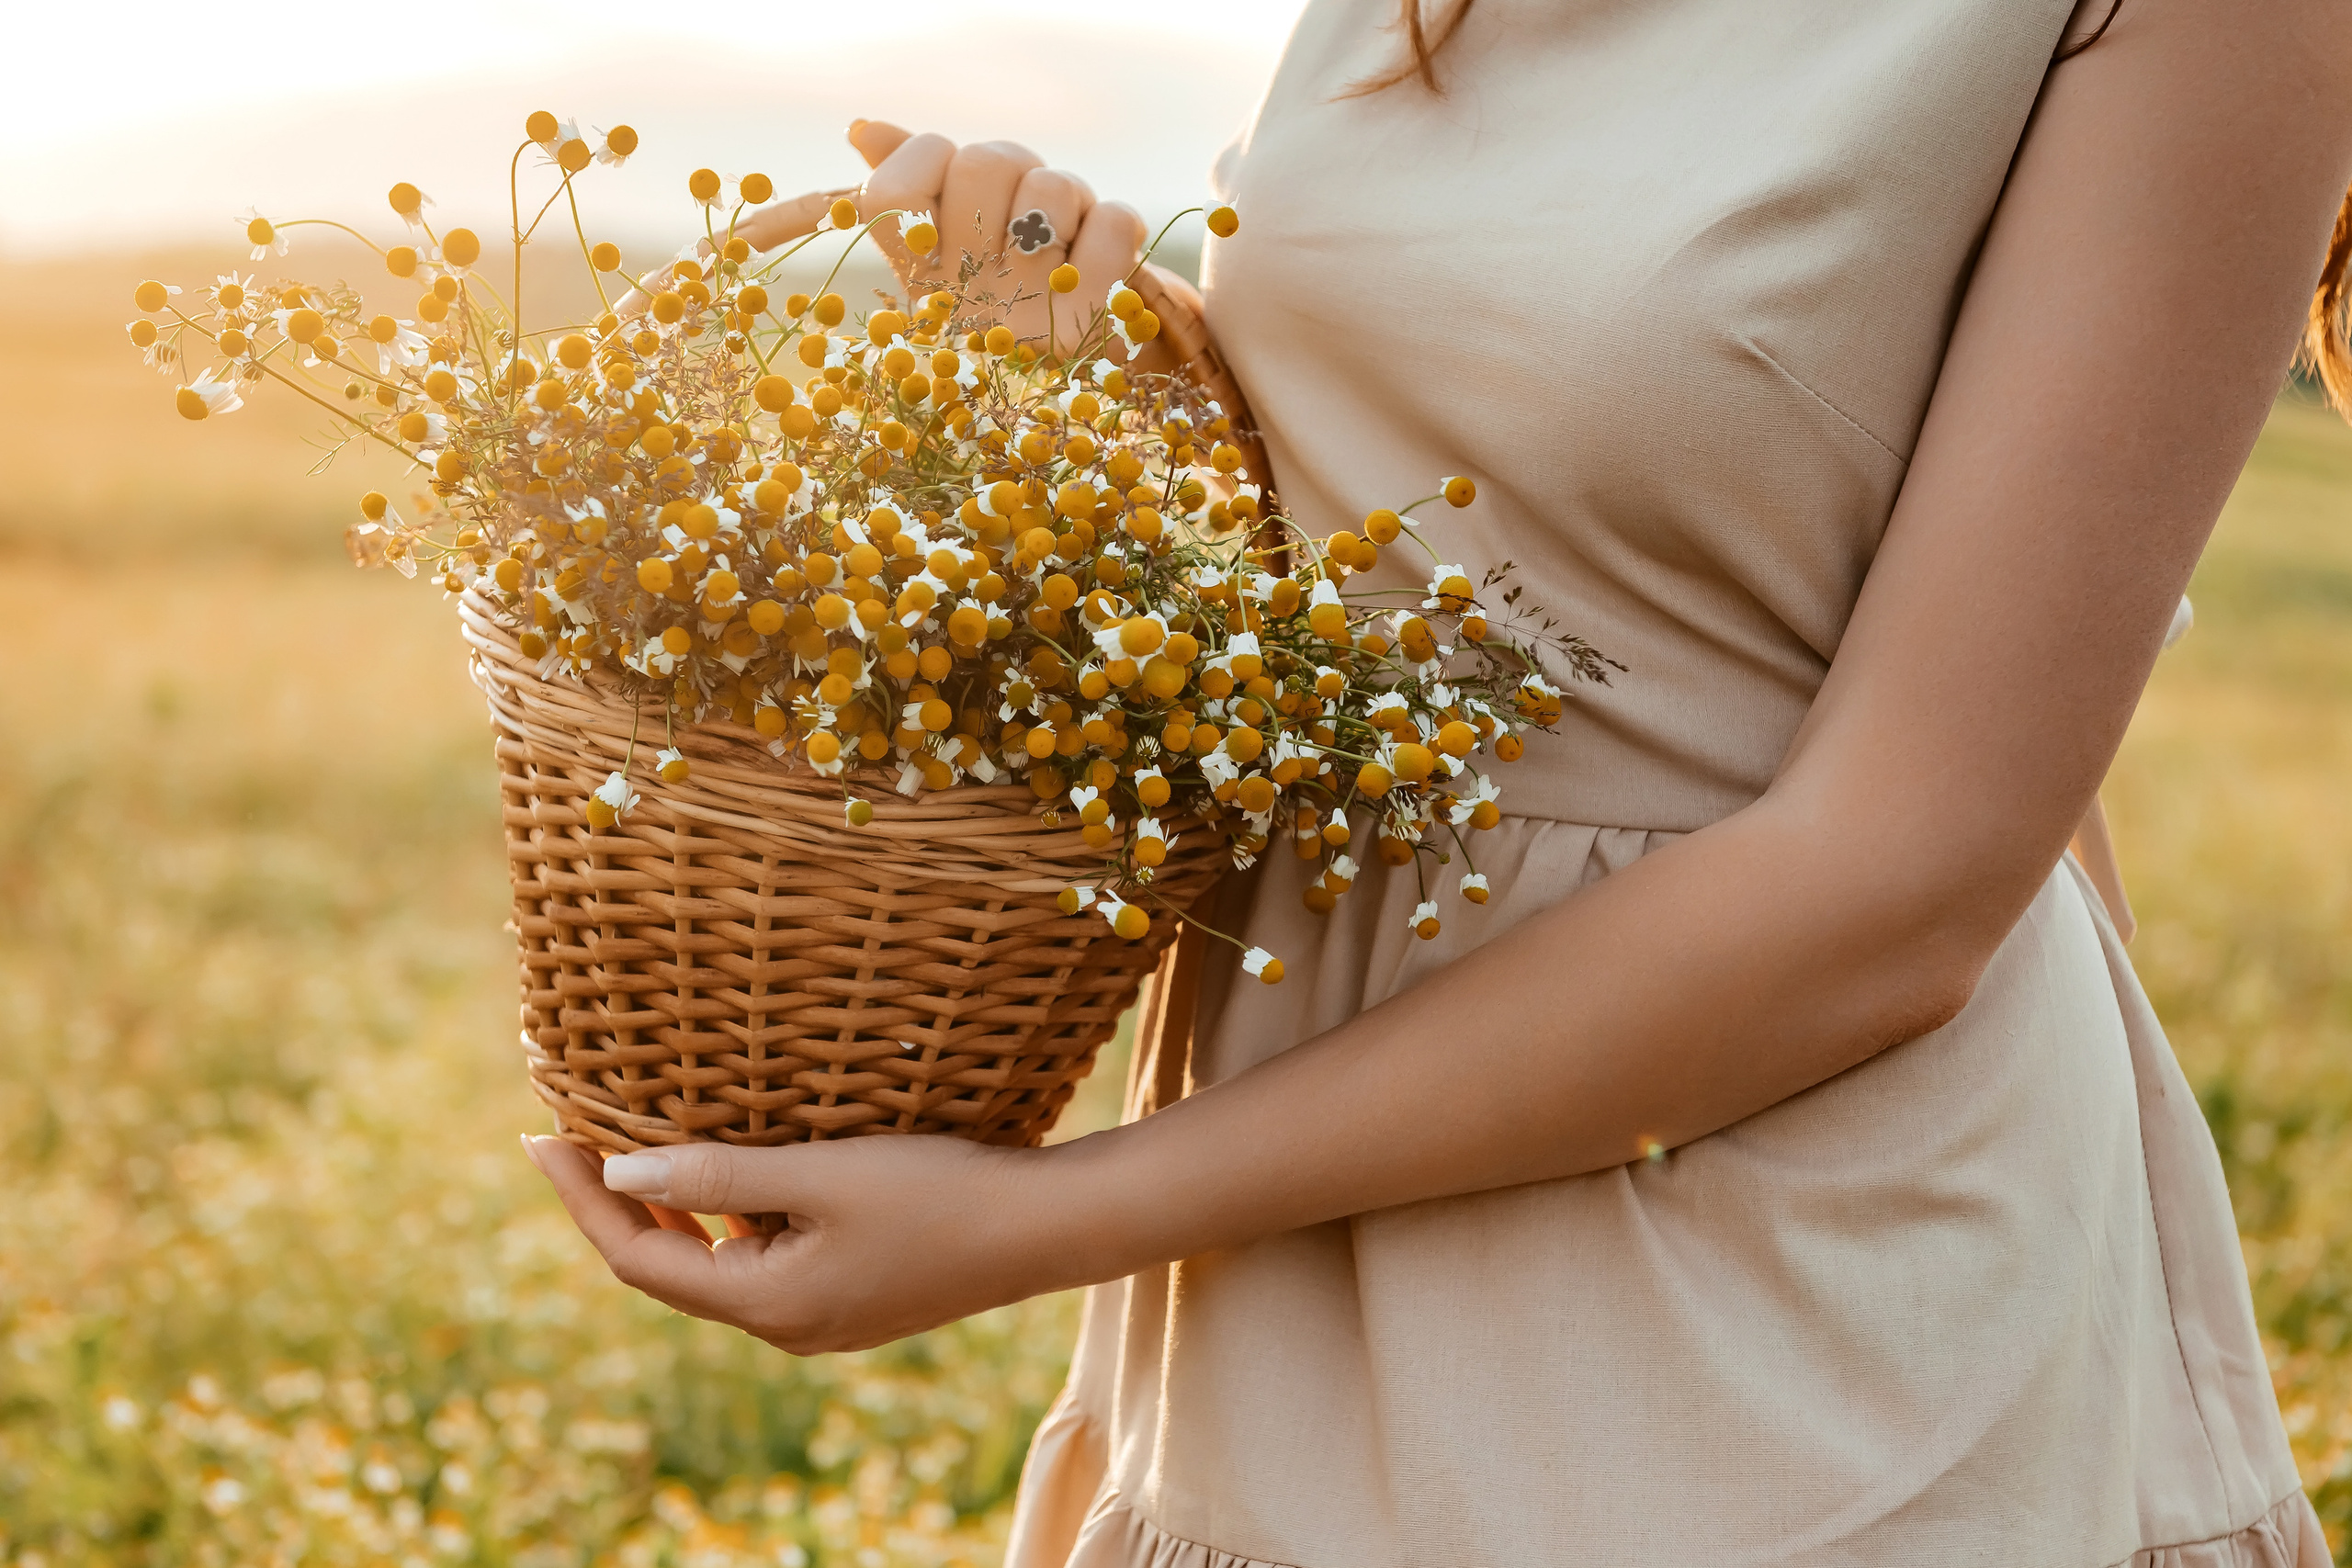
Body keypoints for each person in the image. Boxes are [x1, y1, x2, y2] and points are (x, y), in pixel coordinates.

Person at [526, 0, 2352, 1559]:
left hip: (1776, 1353)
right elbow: (1414, 497)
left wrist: (1040, 1218)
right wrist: (1071, 363)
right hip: (1280, 1273)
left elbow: (1901, 876)